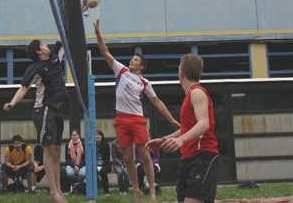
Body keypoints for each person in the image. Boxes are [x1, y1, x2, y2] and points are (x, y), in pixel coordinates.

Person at [94, 19, 180, 203]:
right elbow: (105, 52)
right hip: (121, 120)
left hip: (137, 120)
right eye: (132, 59)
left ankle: (152, 194)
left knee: (145, 155)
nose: (131, 60)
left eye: (135, 60)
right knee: (127, 158)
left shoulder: (145, 82)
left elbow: (157, 101)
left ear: (141, 66)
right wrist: (99, 35)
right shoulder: (121, 71)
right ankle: (136, 191)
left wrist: (172, 120)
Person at [3, 37, 69, 203]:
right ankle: (53, 192)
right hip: (43, 109)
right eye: (42, 45)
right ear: (39, 52)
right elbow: (23, 88)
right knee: (48, 150)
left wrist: (81, 11)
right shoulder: (35, 68)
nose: (46, 45)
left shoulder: (55, 55)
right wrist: (12, 102)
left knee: (57, 151)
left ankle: (59, 191)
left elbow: (64, 36)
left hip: (56, 110)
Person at [146, 54, 219, 203]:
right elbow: (188, 128)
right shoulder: (189, 96)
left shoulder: (197, 92)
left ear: (181, 73)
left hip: (202, 156)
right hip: (188, 158)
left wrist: (181, 140)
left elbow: (204, 124)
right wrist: (164, 140)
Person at [136, 128, 161, 194]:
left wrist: (150, 163)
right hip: (141, 162)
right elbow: (138, 157)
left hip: (153, 162)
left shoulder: (154, 142)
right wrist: (144, 162)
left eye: (146, 131)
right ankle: (139, 189)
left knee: (153, 168)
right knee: (141, 170)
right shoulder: (138, 143)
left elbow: (157, 157)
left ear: (149, 133)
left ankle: (153, 187)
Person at [96, 130, 112, 195]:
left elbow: (107, 158)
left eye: (100, 135)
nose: (98, 136)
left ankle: (106, 191)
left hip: (105, 164)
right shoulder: (92, 146)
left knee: (103, 172)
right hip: (95, 164)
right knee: (93, 172)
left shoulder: (106, 144)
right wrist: (96, 166)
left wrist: (101, 166)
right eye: (96, 135)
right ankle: (95, 190)